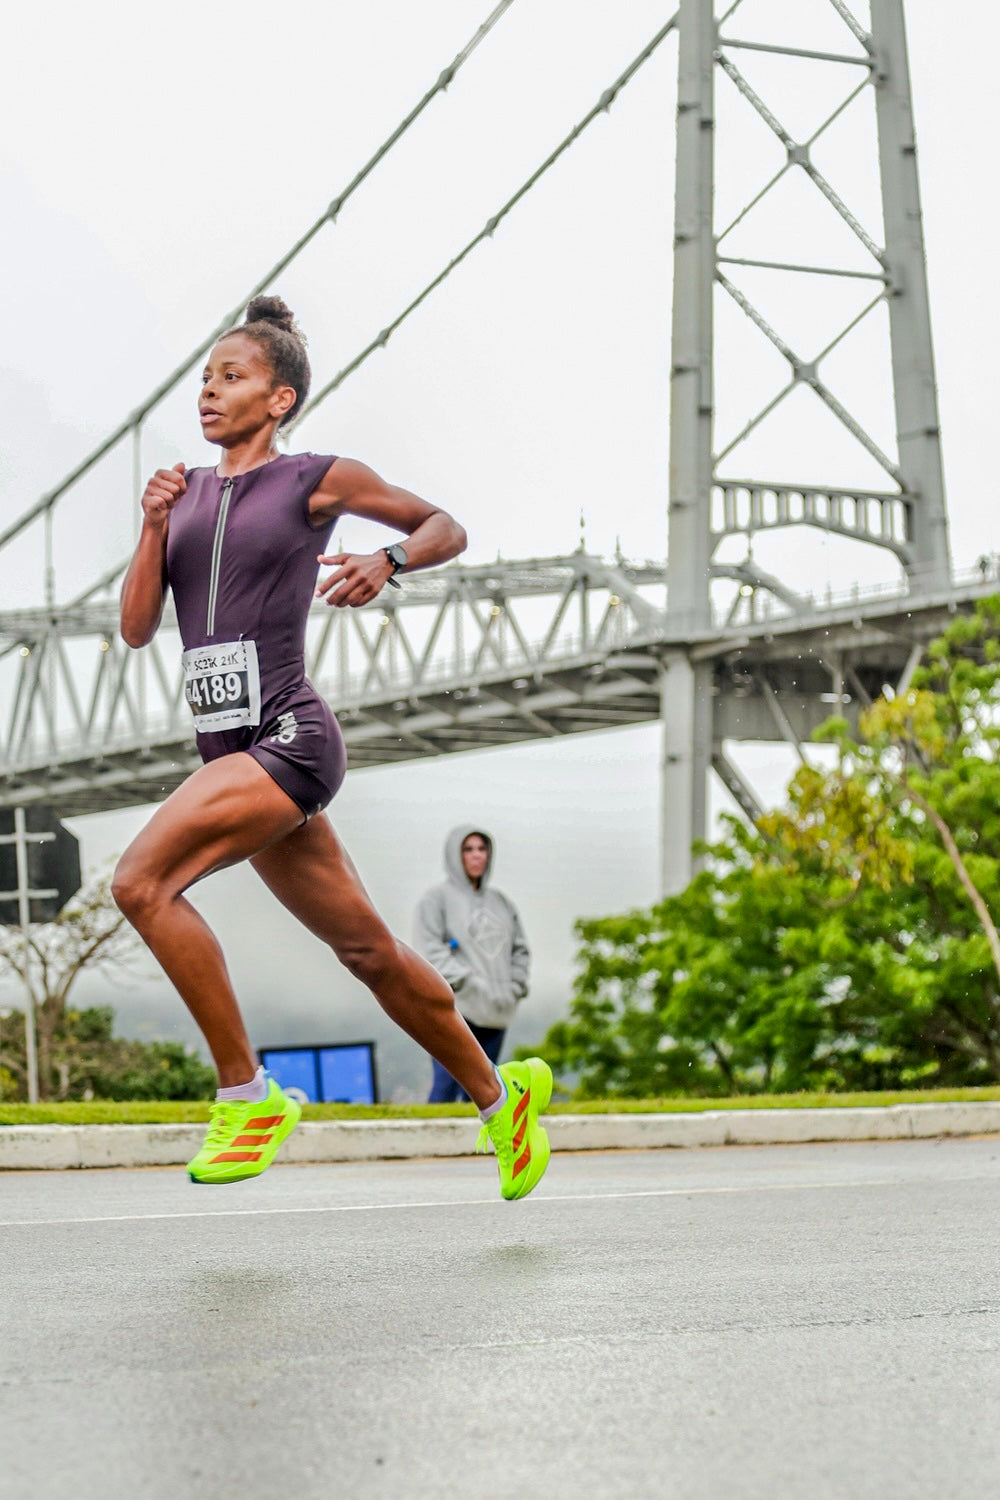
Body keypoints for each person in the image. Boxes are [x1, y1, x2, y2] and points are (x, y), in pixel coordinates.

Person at [113, 294, 551, 1200]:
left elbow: (443, 526)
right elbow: (134, 627)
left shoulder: (317, 477)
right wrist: (152, 525)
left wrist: (386, 563)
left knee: (140, 884)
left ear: (279, 398)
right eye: (203, 379)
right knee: (371, 954)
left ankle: (248, 1095)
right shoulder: (184, 495)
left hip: (289, 738)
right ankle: (498, 1097)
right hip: (231, 753)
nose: (208, 392)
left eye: (231, 377)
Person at [415, 827, 530, 1102]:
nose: (477, 855)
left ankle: (479, 1145)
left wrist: (515, 985)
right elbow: (429, 949)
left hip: (497, 1009)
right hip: (456, 1007)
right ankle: (435, 1142)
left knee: (486, 1092)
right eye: (468, 849)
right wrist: (467, 983)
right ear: (455, 854)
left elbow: (520, 949)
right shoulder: (436, 899)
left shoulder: (501, 903)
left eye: (482, 849)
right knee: (446, 1084)